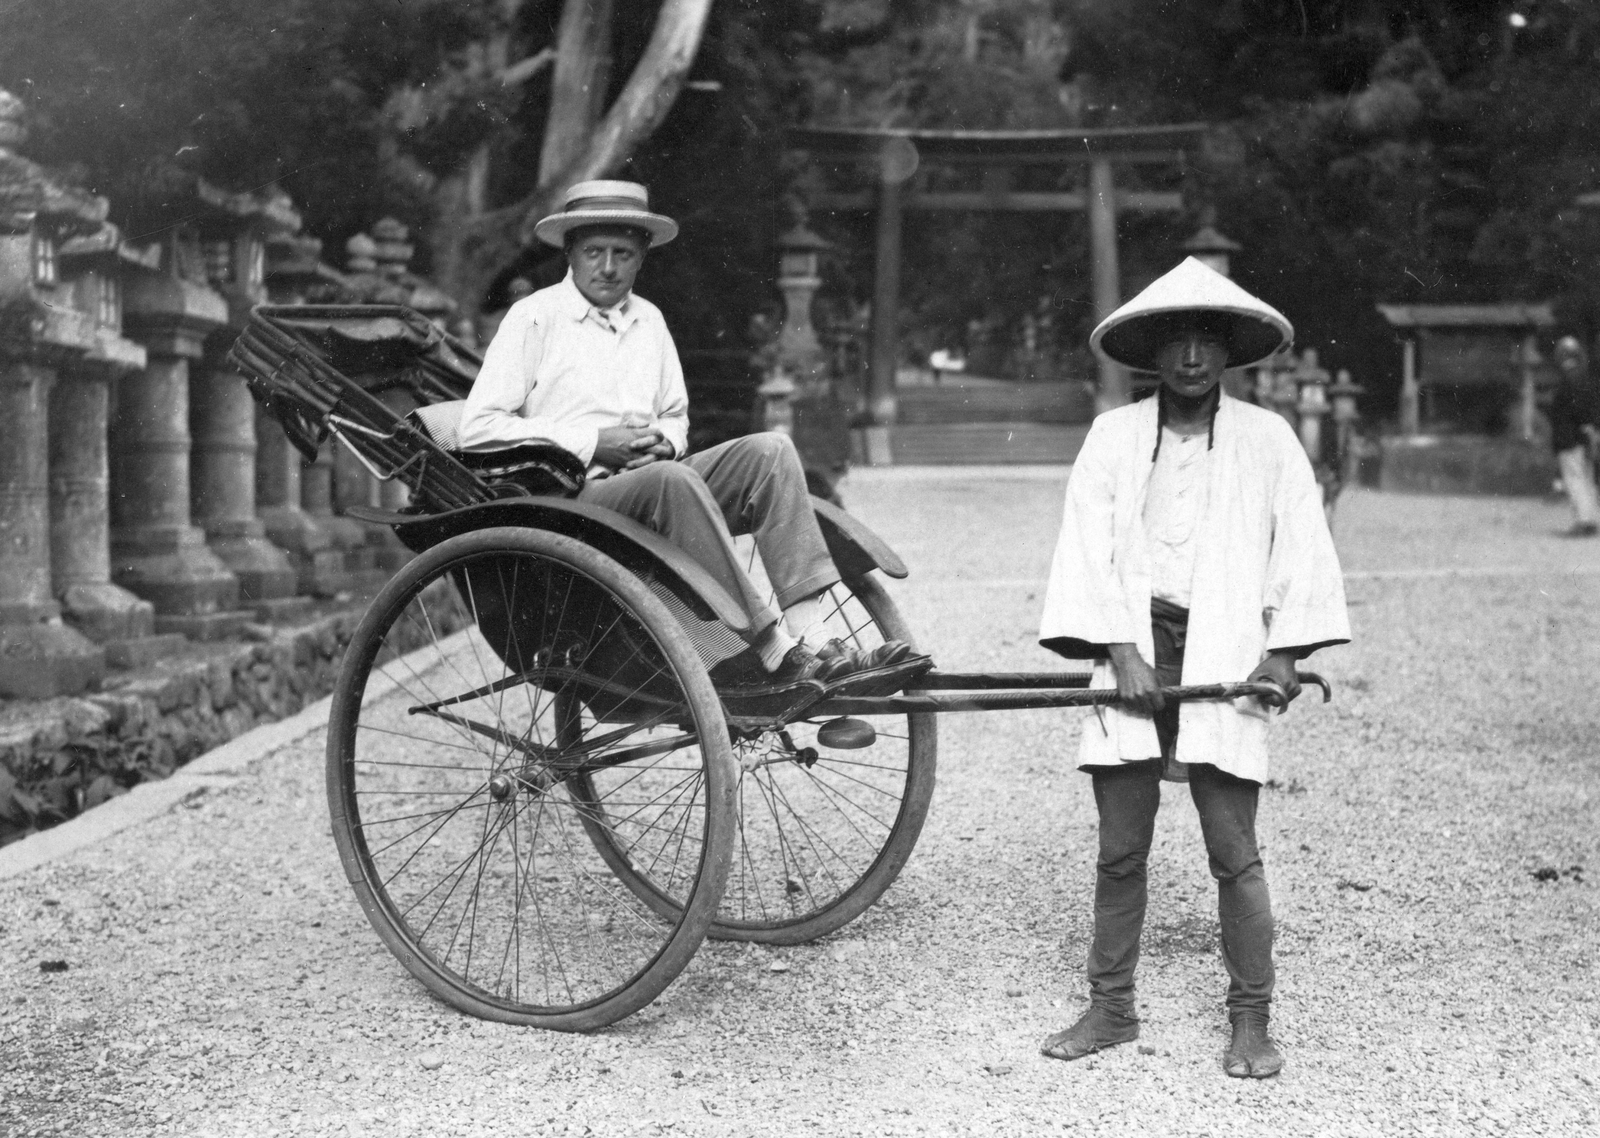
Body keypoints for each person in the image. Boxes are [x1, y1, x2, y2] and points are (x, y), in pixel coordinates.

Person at [1035, 258, 1350, 1078]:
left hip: (1227, 647)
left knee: (1232, 847)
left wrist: (1281, 655)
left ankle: (1251, 1019)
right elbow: (1087, 549)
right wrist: (1123, 651)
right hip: (1133, 641)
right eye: (1173, 340)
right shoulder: (1112, 437)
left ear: (1227, 352)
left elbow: (1303, 548)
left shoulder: (1268, 439)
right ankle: (1111, 1009)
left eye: (1206, 341)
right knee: (1120, 847)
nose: (1189, 359)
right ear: (1151, 351)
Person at [458, 180, 925, 691]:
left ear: (641, 258)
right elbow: (479, 428)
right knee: (670, 481)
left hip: (655, 482)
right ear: (570, 252)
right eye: (593, 252)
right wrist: (594, 442)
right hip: (579, 498)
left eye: (623, 254)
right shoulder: (535, 318)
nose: (608, 267)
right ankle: (769, 647)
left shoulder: (649, 321)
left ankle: (811, 634)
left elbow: (676, 416)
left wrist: (666, 440)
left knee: (770, 451)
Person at [1547, 335, 1599, 537]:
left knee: (1574, 478)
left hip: (1569, 437)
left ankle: (1584, 521)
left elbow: (1567, 412)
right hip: (1583, 435)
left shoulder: (1566, 381)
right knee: (1586, 477)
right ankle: (1590, 519)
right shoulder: (1584, 377)